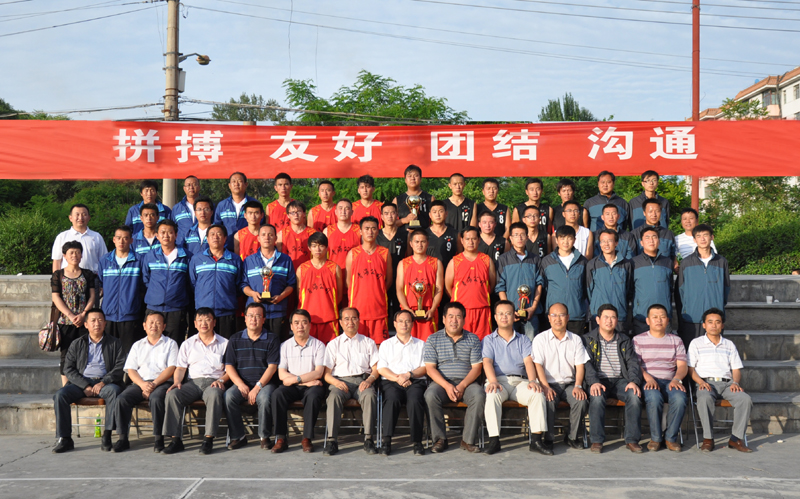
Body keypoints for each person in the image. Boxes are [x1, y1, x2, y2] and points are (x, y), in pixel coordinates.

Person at [482, 300, 550, 456]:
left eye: (508, 313)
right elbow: (487, 362)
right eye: (500, 314)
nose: (504, 317)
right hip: (498, 381)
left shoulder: (523, 339)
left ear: (514, 316)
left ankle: (536, 440)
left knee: (537, 394)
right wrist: (493, 381)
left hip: (520, 382)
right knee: (491, 395)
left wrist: (532, 380)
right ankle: (494, 440)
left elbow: (528, 362)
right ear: (495, 317)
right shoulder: (488, 340)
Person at [52, 308, 124, 453]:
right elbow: (68, 369)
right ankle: (65, 438)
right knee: (60, 395)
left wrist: (103, 382)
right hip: (81, 383)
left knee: (114, 392)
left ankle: (107, 434)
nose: (97, 324)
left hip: (105, 383)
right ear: (86, 324)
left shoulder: (115, 343)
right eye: (93, 320)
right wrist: (84, 385)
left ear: (105, 323)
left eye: (100, 320)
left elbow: (120, 366)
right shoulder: (77, 343)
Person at [162, 308, 229, 455]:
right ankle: (175, 440)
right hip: (193, 382)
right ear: (195, 324)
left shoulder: (224, 343)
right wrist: (177, 381)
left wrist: (221, 380)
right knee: (173, 394)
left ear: (214, 322)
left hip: (214, 382)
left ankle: (208, 440)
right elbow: (180, 368)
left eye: (208, 320)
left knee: (214, 395)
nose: (204, 323)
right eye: (200, 320)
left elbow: (230, 369)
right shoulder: (188, 343)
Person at [111, 310, 178, 452]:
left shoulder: (171, 344)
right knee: (122, 399)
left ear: (164, 326)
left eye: (158, 323)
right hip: (140, 382)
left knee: (156, 398)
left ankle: (159, 439)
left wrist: (153, 384)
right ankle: (122, 438)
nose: (154, 326)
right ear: (144, 326)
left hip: (162, 382)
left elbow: (171, 368)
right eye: (151, 323)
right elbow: (131, 369)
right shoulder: (137, 345)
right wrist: (142, 385)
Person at [688, 308, 753, 453]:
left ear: (722, 325)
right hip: (705, 383)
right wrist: (700, 382)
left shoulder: (729, 344)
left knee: (745, 399)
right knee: (704, 398)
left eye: (717, 322)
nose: (714, 325)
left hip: (727, 384)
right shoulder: (696, 343)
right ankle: (708, 438)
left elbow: (736, 369)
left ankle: (735, 439)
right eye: (710, 322)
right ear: (704, 325)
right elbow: (690, 369)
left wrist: (735, 382)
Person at [423, 302, 485, 453]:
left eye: (458, 317)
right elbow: (430, 368)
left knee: (479, 395)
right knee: (430, 395)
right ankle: (439, 439)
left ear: (464, 320)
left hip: (467, 383)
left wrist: (462, 385)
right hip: (442, 384)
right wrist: (447, 385)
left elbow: (477, 368)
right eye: (450, 316)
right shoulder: (433, 339)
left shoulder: (473, 339)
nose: (454, 320)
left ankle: (468, 440)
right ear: (444, 319)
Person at [583, 304, 643, 453]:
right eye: (606, 317)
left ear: (617, 320)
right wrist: (593, 382)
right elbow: (586, 364)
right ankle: (597, 440)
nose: (609, 321)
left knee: (634, 396)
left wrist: (633, 382)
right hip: (599, 380)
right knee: (597, 397)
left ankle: (632, 440)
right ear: (598, 320)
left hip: (620, 380)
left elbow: (632, 362)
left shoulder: (624, 340)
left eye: (613, 317)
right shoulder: (588, 339)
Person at [322, 307, 380, 456]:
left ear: (359, 321)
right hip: (340, 381)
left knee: (370, 396)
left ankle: (368, 439)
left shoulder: (368, 342)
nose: (350, 322)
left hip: (363, 380)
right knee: (333, 397)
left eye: (354, 318)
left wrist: (369, 380)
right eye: (346, 319)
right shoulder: (333, 344)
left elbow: (376, 369)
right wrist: (336, 383)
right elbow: (326, 374)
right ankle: (332, 441)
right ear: (341, 322)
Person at [532, 303, 589, 451]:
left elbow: (580, 365)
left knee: (581, 401)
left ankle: (571, 437)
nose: (558, 319)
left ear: (568, 317)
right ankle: (549, 438)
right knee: (548, 400)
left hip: (570, 384)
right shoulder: (540, 339)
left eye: (562, 315)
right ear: (549, 318)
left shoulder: (576, 339)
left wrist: (578, 385)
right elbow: (537, 365)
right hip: (549, 384)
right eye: (554, 315)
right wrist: (545, 386)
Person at [223, 302, 281, 451]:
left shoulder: (272, 338)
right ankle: (238, 437)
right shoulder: (235, 339)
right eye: (250, 315)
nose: (253, 319)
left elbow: (272, 367)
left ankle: (264, 437)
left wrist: (257, 387)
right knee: (229, 397)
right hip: (242, 382)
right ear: (245, 318)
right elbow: (229, 365)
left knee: (264, 398)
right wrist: (240, 384)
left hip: (265, 383)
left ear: (264, 319)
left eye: (258, 316)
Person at [633, 304, 688, 452]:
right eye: (655, 317)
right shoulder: (638, 340)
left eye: (662, 317)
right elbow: (636, 365)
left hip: (671, 381)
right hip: (649, 381)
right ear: (648, 321)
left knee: (680, 398)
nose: (659, 320)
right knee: (654, 398)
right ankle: (656, 438)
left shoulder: (676, 340)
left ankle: (670, 438)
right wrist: (648, 378)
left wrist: (676, 379)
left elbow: (682, 366)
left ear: (668, 320)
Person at [272, 309, 327, 454]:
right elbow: (282, 374)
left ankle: (306, 438)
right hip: (300, 385)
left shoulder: (319, 345)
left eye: (304, 322)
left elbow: (318, 372)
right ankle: (281, 438)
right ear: (291, 326)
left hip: (312, 387)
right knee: (277, 394)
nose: (300, 326)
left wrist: (296, 380)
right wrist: (303, 382)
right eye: (296, 323)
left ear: (310, 325)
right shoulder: (284, 346)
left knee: (314, 396)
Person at [377, 309, 428, 456]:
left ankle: (417, 442)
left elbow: (425, 367)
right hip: (392, 381)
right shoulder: (386, 344)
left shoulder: (421, 344)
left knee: (415, 400)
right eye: (400, 321)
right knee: (392, 399)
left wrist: (408, 375)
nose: (404, 324)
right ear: (394, 324)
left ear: (412, 324)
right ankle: (386, 441)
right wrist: (398, 378)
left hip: (415, 380)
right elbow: (381, 368)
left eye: (407, 321)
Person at [676, 224, 731, 348]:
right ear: (694, 239)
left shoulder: (721, 262)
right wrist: (687, 308)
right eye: (699, 236)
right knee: (692, 351)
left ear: (712, 237)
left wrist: (718, 304)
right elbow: (681, 290)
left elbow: (726, 287)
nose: (702, 239)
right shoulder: (686, 263)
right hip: (692, 316)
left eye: (705, 235)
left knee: (714, 350)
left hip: (714, 317)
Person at [51, 240, 97, 385]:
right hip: (65, 321)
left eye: (77, 252)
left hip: (84, 321)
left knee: (84, 353)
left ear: (81, 255)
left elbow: (92, 296)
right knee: (65, 354)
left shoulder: (87, 274)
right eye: (71, 253)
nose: (74, 255)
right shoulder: (58, 275)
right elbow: (56, 297)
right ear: (64, 255)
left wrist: (83, 314)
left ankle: (82, 385)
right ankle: (66, 386)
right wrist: (71, 316)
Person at [241, 224, 297, 340]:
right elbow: (243, 284)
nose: (267, 237)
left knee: (277, 344)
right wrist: (253, 294)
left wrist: (281, 296)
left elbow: (291, 284)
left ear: (275, 238)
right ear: (258, 238)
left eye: (270, 235)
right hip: (255, 313)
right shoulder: (249, 260)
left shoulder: (285, 260)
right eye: (263, 235)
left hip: (278, 311)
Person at [189, 224, 243, 339]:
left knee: (225, 345)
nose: (215, 237)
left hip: (226, 311)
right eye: (212, 234)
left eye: (219, 234)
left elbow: (238, 284)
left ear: (225, 238)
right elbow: (193, 283)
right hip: (204, 312)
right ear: (207, 239)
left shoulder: (235, 259)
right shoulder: (197, 259)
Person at [142, 219, 191, 346]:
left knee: (175, 344)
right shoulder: (150, 256)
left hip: (176, 309)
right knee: (152, 344)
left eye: (170, 232)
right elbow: (146, 279)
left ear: (176, 235)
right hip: (154, 308)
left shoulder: (186, 256)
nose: (166, 235)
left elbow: (190, 281)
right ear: (157, 235)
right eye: (162, 232)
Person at [98, 225, 145, 355]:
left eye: (125, 238)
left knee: (129, 355)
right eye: (118, 238)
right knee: (109, 354)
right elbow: (100, 285)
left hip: (130, 315)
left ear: (131, 240)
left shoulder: (139, 260)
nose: (121, 241)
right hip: (109, 315)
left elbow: (144, 286)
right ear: (114, 239)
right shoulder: (104, 260)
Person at [346, 217, 392, 345]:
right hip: (358, 309)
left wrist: (378, 292)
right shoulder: (353, 254)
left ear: (378, 231)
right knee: (357, 346)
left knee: (379, 346)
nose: (370, 232)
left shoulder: (384, 253)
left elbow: (388, 281)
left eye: (373, 228)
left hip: (378, 309)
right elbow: (349, 282)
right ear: (360, 231)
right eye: (366, 228)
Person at [445, 227, 495, 340]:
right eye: (467, 239)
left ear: (479, 240)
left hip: (482, 310)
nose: (470, 242)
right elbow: (448, 287)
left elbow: (492, 284)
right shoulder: (455, 261)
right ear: (462, 241)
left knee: (483, 343)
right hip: (461, 312)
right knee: (461, 342)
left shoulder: (487, 260)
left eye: (474, 239)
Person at [495, 222, 543, 340]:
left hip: (531, 312)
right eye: (516, 235)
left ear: (527, 237)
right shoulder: (503, 259)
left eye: (522, 235)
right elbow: (500, 286)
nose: (519, 238)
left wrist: (533, 307)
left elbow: (539, 284)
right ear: (510, 238)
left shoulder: (535, 259)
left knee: (531, 344)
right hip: (510, 314)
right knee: (510, 343)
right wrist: (508, 310)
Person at [396, 229, 444, 341]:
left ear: (427, 243)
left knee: (429, 344)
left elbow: (439, 289)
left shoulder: (436, 263)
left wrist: (433, 309)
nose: (420, 245)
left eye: (423, 241)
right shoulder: (403, 263)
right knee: (409, 343)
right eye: (417, 242)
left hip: (428, 311)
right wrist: (406, 309)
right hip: (409, 311)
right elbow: (399, 289)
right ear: (411, 243)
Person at [540, 226, 589, 335]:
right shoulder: (547, 261)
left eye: (569, 238)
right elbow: (544, 288)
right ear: (556, 240)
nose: (565, 242)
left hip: (576, 315)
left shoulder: (583, 262)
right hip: (554, 316)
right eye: (562, 238)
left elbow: (586, 288)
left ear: (574, 240)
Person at [297, 232, 343, 344]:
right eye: (314, 246)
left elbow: (339, 295)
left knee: (331, 351)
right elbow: (299, 294)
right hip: (307, 319)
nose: (318, 249)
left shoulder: (334, 268)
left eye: (321, 246)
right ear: (309, 248)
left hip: (329, 318)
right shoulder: (302, 269)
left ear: (327, 248)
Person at [586, 229, 633, 334]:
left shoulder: (626, 264)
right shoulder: (592, 264)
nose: (606, 244)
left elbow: (628, 289)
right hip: (598, 316)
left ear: (616, 243)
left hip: (619, 315)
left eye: (610, 241)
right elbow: (589, 290)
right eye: (603, 241)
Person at [631, 227, 674, 335]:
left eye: (654, 237)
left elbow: (670, 287)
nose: (651, 240)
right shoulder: (633, 263)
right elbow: (629, 289)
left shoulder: (667, 262)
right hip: (642, 316)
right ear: (641, 243)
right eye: (647, 238)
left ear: (659, 241)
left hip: (663, 317)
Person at [52, 203, 107, 273]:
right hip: (68, 277)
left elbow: (104, 260)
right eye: (77, 214)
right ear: (70, 218)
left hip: (92, 277)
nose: (80, 218)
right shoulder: (62, 237)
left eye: (84, 214)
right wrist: (57, 278)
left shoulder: (97, 237)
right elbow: (57, 261)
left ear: (89, 217)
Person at [377, 202, 408, 322]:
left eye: (392, 213)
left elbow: (409, 256)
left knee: (399, 311)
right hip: (382, 278)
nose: (389, 216)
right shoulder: (376, 235)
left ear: (397, 215)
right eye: (386, 213)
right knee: (382, 309)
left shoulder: (405, 234)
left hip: (400, 278)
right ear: (382, 216)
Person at [214, 172, 259, 252]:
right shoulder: (222, 205)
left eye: (240, 181)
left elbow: (261, 225)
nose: (236, 184)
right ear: (229, 185)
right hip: (226, 249)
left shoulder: (255, 204)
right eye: (234, 181)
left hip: (249, 248)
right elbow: (217, 227)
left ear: (246, 184)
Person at [631, 198, 677, 267]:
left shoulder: (668, 234)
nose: (654, 214)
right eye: (650, 211)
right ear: (644, 213)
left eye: (657, 211)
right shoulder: (635, 234)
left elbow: (673, 256)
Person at [277, 200, 317, 270]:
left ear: (304, 214)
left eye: (298, 211)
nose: (296, 215)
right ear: (288, 215)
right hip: (288, 271)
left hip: (307, 271)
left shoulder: (313, 233)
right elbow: (278, 257)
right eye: (292, 213)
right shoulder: (281, 234)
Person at [324, 199, 361, 271]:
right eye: (340, 208)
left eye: (347, 209)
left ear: (352, 212)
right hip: (333, 272)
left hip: (354, 272)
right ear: (336, 212)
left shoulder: (359, 231)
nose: (343, 211)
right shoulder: (327, 231)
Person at [393, 164, 433, 229]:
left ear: (420, 179)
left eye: (416, 176)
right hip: (404, 235)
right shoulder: (397, 200)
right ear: (405, 180)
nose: (412, 178)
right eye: (410, 176)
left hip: (424, 234)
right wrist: (404, 220)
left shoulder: (430, 198)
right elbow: (391, 223)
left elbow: (437, 221)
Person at [425, 200, 459, 271]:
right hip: (428, 272)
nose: (437, 215)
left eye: (441, 211)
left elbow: (460, 256)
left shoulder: (455, 234)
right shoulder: (424, 234)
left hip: (449, 272)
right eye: (434, 212)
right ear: (430, 215)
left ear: (446, 213)